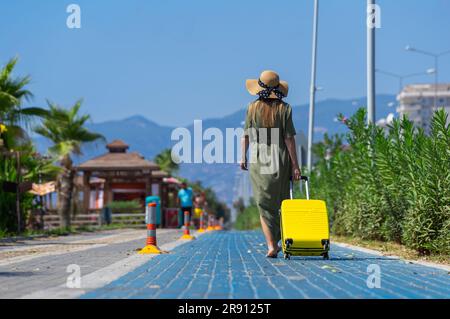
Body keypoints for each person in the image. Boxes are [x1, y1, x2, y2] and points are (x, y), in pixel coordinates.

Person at [240, 70, 301, 258]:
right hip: (280, 156)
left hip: (259, 157)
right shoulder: (285, 109)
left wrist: (242, 157)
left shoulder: (252, 108)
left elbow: (246, 136)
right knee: (283, 201)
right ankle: (282, 239)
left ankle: (271, 245)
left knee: (264, 203)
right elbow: (289, 139)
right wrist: (295, 165)